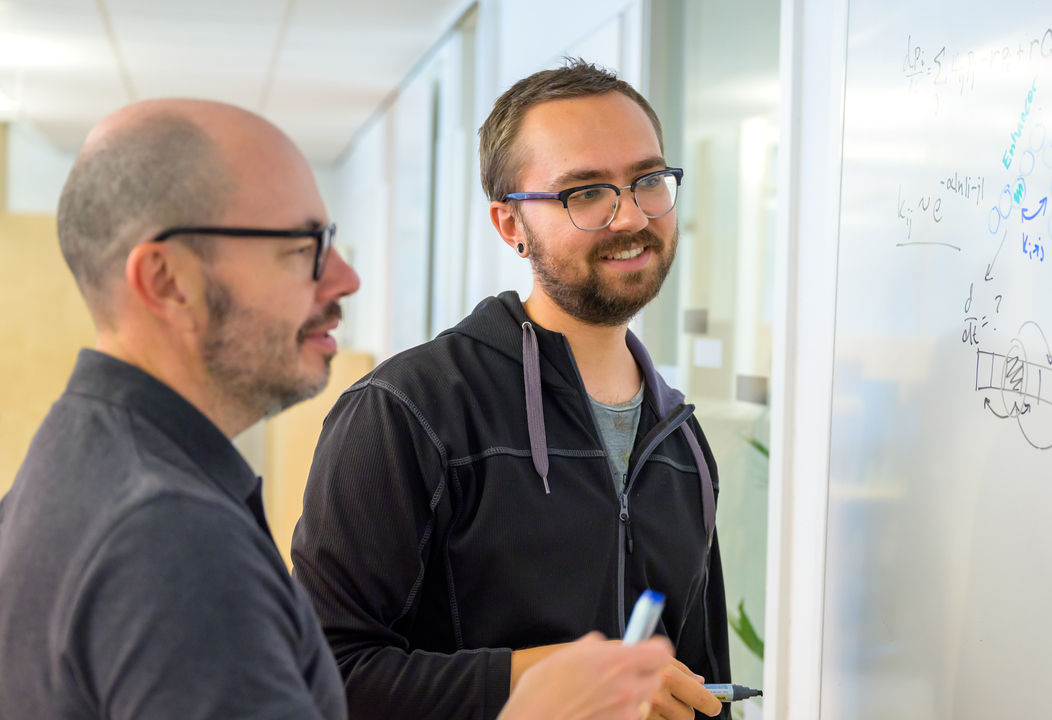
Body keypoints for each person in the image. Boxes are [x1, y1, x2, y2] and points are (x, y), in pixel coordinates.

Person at [0, 98, 673, 720]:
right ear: (167, 281)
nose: (346, 278)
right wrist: (523, 704)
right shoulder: (170, 539)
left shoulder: (86, 463)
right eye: (302, 248)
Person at [292, 60, 730, 720]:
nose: (630, 217)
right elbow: (321, 671)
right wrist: (549, 678)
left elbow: (701, 683)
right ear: (509, 225)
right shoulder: (409, 411)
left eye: (647, 180)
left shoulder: (682, 441)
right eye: (584, 192)